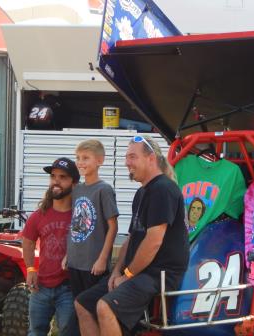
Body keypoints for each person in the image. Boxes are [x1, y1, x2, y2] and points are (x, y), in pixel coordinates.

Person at [74, 135, 189, 336]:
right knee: (83, 303)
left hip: (159, 274)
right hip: (138, 272)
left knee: (104, 306)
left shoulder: (163, 189)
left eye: (133, 157)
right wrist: (118, 271)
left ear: (151, 158)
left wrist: (128, 275)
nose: (127, 162)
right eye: (127, 157)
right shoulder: (142, 192)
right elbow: (131, 238)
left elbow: (153, 241)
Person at [22, 157, 80, 336]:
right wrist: (31, 269)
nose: (56, 181)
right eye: (53, 176)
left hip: (69, 287)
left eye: (63, 177)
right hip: (41, 286)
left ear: (74, 183)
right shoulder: (39, 215)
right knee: (35, 331)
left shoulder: (80, 215)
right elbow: (28, 242)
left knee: (67, 332)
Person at [65, 139, 119, 298]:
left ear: (99, 161)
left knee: (90, 311)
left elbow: (113, 227)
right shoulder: (77, 190)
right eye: (78, 157)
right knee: (77, 308)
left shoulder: (104, 190)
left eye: (85, 158)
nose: (80, 162)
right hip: (75, 262)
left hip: (94, 265)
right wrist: (68, 255)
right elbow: (75, 224)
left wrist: (102, 259)